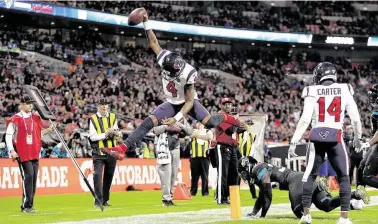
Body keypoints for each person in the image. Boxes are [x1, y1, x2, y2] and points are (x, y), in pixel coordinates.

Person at [105, 10, 244, 157]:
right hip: (172, 102)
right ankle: (122, 148)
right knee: (148, 122)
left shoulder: (189, 73)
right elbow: (153, 43)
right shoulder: (165, 58)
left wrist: (176, 118)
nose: (169, 74)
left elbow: (190, 102)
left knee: (210, 123)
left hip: (187, 102)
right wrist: (146, 21)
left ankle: (226, 116)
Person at [288, 62, 364, 224]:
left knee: (309, 175)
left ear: (319, 75)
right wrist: (358, 137)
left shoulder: (311, 90)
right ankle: (343, 217)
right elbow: (356, 118)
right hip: (336, 136)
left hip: (316, 138)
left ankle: (306, 215)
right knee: (344, 177)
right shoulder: (345, 89)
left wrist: (294, 140)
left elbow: (305, 119)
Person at [237, 157, 369, 219]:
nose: (243, 175)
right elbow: (261, 197)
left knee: (297, 211)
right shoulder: (260, 168)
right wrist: (254, 212)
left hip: (295, 180)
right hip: (300, 178)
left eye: (243, 172)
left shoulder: (258, 169)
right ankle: (354, 194)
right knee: (326, 205)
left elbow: (268, 195)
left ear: (247, 166)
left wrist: (262, 216)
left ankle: (313, 190)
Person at [5, 95, 54, 212]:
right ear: (22, 104)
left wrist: (49, 130)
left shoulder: (36, 118)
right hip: (22, 153)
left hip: (35, 152)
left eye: (31, 103)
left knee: (33, 179)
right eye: (27, 103)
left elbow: (37, 135)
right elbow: (8, 135)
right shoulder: (16, 118)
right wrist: (11, 150)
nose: (30, 105)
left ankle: (29, 205)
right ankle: (26, 206)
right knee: (29, 176)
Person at [214, 98, 248, 205]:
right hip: (223, 147)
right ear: (221, 106)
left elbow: (236, 130)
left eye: (229, 104)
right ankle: (221, 198)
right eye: (225, 104)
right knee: (223, 174)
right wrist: (237, 122)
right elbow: (230, 130)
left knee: (235, 173)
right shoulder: (220, 116)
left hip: (233, 147)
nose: (228, 106)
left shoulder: (231, 118)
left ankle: (231, 196)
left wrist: (243, 127)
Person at [88, 97, 121, 207]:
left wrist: (118, 134)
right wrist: (105, 134)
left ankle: (105, 200)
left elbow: (116, 131)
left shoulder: (113, 117)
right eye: (102, 104)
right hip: (99, 152)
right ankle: (98, 200)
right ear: (98, 105)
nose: (104, 106)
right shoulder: (92, 119)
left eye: (106, 104)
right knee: (97, 176)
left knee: (109, 176)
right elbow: (92, 137)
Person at [153, 117, 193, 206]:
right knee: (165, 173)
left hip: (176, 146)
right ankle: (166, 198)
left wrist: (180, 125)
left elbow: (190, 131)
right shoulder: (160, 115)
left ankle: (169, 197)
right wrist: (167, 126)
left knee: (173, 173)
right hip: (162, 145)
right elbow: (155, 130)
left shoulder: (181, 118)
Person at [356, 84, 378, 192]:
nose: (372, 97)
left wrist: (368, 144)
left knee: (367, 177)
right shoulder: (375, 111)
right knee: (361, 168)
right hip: (375, 144)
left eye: (374, 95)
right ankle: (357, 198)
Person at [236, 117, 258, 199]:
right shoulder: (239, 134)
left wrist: (250, 158)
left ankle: (254, 195)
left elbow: (253, 147)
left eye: (250, 124)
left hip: (248, 159)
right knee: (237, 177)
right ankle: (236, 194)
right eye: (248, 124)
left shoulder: (253, 136)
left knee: (250, 178)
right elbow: (237, 146)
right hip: (240, 158)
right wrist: (241, 157)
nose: (249, 126)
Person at [190, 121, 213, 197]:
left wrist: (198, 135)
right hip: (195, 157)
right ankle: (193, 192)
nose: (199, 125)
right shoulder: (193, 130)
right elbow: (191, 135)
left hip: (205, 157)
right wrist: (200, 135)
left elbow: (209, 137)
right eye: (198, 123)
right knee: (194, 176)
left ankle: (205, 192)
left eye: (201, 123)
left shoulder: (208, 131)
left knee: (205, 176)